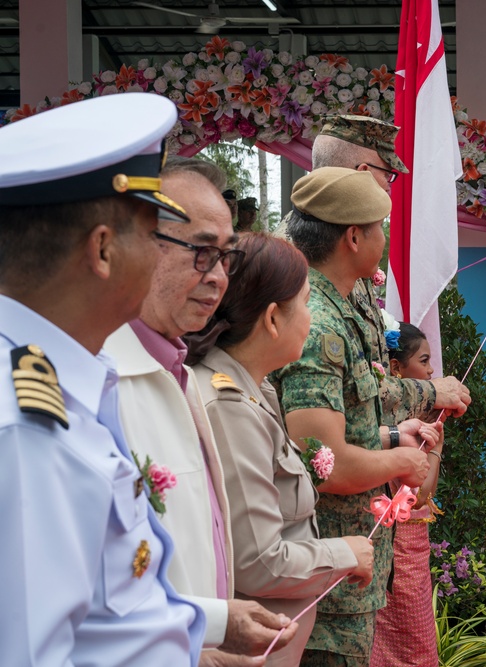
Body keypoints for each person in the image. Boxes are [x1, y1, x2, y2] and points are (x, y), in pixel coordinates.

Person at [0, 93, 205, 664]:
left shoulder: (61, 384)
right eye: (154, 234)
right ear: (103, 249)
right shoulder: (24, 429)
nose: (165, 256)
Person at [104, 157, 297, 665]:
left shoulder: (178, 370)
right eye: (201, 253)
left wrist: (213, 625)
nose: (217, 279)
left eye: (225, 258)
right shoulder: (99, 383)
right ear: (135, 247)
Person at [275, 167, 444, 667]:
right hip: (326, 586)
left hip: (347, 574)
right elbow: (323, 465)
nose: (386, 238)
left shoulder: (341, 307)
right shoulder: (320, 324)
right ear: (353, 236)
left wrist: (392, 436)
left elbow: (351, 424)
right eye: (381, 226)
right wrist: (403, 464)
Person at [187, 232, 378, 666]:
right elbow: (259, 561)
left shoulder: (255, 390)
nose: (311, 319)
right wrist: (345, 552)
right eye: (307, 303)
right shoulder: (230, 406)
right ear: (273, 319)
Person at [307, 113, 472, 427]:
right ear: (365, 173)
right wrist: (429, 392)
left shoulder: (342, 252)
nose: (389, 186)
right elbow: (347, 394)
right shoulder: (304, 263)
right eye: (389, 176)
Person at [371, 321, 445, 667]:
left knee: (417, 647)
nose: (431, 371)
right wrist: (430, 448)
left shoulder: (420, 417)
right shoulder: (383, 421)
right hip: (390, 546)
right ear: (397, 368)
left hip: (411, 545)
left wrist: (436, 448)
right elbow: (416, 491)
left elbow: (423, 493)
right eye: (425, 361)